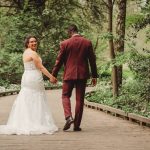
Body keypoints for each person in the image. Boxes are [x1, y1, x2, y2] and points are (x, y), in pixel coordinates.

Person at [0, 36, 58, 135]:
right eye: (31, 42)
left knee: (27, 97)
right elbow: (40, 67)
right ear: (27, 43)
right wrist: (51, 77)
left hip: (27, 76)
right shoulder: (32, 53)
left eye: (35, 41)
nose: (34, 43)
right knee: (35, 97)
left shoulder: (26, 52)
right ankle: (35, 122)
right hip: (33, 77)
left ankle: (25, 121)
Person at [52, 24, 98, 131]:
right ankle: (76, 126)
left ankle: (68, 117)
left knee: (65, 96)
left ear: (70, 32)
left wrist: (53, 74)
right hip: (82, 75)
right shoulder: (87, 42)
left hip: (69, 74)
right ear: (77, 31)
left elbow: (59, 61)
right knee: (80, 100)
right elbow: (92, 60)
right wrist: (94, 76)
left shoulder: (65, 43)